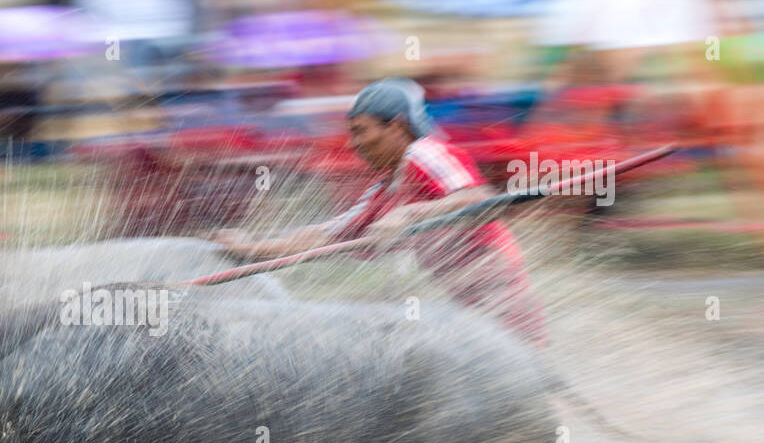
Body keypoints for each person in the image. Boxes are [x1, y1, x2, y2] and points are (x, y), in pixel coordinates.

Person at [213, 78, 548, 347]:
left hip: (500, 289)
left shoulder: (424, 152)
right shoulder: (382, 192)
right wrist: (252, 247)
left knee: (529, 381)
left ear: (397, 127)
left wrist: (409, 215)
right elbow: (324, 235)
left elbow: (479, 200)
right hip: (464, 304)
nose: (353, 144)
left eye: (360, 131)